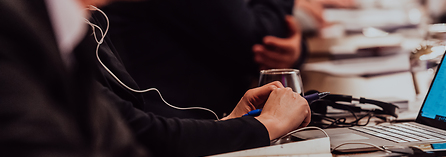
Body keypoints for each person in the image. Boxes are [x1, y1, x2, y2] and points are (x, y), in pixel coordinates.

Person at [0, 0, 310, 157]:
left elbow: (125, 143)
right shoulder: (14, 37)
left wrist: (230, 124)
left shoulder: (66, 23)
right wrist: (260, 127)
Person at [100, 0, 307, 118]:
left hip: (215, 121)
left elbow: (266, 34)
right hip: (175, 134)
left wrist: (296, 50)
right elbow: (259, 38)